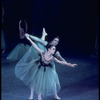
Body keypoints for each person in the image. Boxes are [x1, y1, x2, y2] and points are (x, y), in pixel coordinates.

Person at [15, 35, 77, 100]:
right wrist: (29, 38)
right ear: (49, 48)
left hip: (47, 68)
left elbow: (61, 61)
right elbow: (36, 45)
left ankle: (48, 96)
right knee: (34, 80)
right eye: (55, 40)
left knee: (51, 81)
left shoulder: (54, 56)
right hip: (38, 67)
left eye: (57, 41)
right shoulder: (43, 51)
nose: (56, 43)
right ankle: (32, 96)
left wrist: (69, 64)